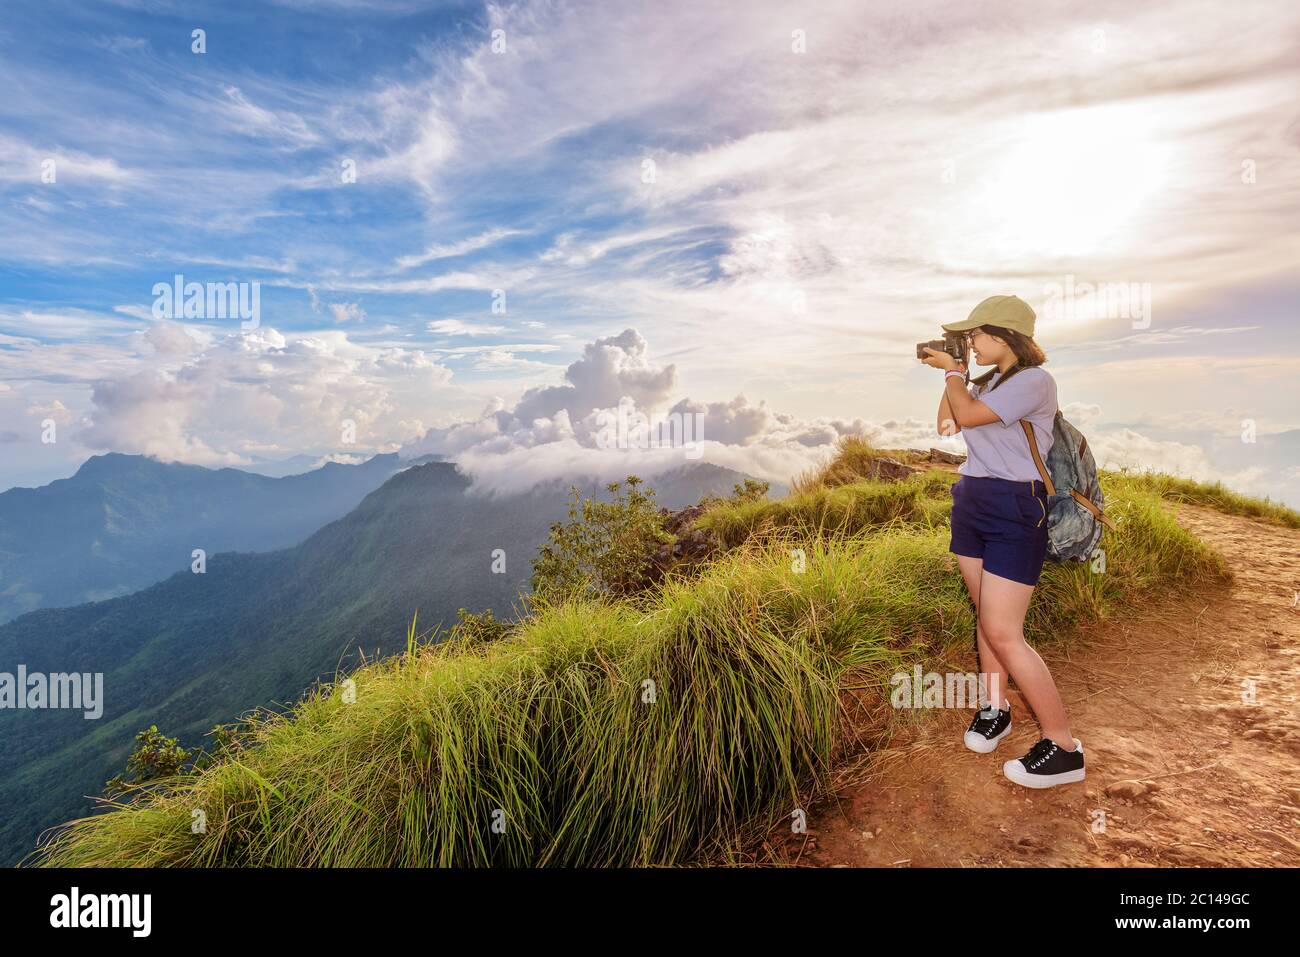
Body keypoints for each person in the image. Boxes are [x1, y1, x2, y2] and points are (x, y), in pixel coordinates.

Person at [920, 294, 1085, 788]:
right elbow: (947, 423)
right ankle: (997, 707)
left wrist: (954, 373)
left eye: (976, 333)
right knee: (986, 620)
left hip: (1016, 508)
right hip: (973, 500)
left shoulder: (1035, 382)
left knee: (1004, 631)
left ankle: (1063, 747)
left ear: (1005, 335)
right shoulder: (986, 382)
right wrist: (958, 374)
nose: (970, 340)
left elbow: (968, 417)